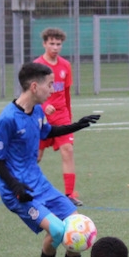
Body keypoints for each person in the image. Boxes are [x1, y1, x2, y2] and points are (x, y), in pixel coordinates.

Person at [0, 61, 100, 257]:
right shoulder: (7, 119)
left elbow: (47, 132)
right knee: (59, 231)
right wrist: (16, 186)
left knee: (76, 223)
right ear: (33, 86)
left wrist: (76, 126)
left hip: (38, 183)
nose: (52, 90)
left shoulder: (37, 111)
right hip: (17, 191)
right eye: (49, 85)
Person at [34, 27, 83, 207]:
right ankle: (23, 188)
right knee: (35, 156)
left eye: (58, 44)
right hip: (41, 117)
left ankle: (69, 194)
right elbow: (32, 94)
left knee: (67, 150)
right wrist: (45, 106)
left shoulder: (65, 66)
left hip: (61, 116)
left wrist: (69, 118)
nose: (55, 47)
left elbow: (67, 94)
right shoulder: (37, 66)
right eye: (51, 43)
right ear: (44, 44)